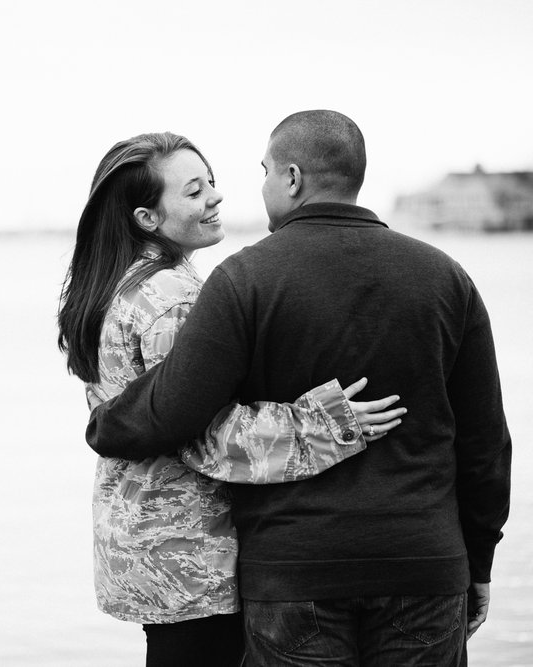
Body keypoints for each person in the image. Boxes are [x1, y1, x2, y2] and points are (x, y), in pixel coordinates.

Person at [86, 113, 512, 666]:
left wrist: (106, 421)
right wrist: (478, 563)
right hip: (425, 562)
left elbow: (175, 411)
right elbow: (485, 443)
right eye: (199, 188)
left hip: (292, 570)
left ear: (290, 178)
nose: (234, 193)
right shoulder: (446, 276)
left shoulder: (244, 279)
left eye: (261, 172)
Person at [57, 131, 406, 666]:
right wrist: (329, 424)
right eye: (194, 192)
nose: (216, 197)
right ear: (147, 218)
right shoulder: (171, 297)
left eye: (212, 182)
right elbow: (200, 433)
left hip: (146, 542)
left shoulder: (117, 285)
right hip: (192, 552)